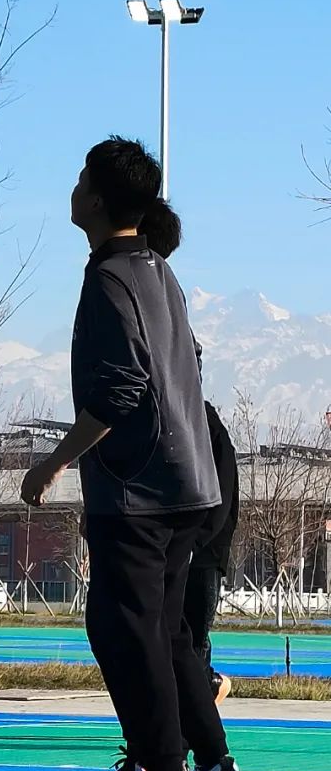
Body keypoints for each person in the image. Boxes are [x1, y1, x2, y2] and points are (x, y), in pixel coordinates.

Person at [21, 138, 247, 771]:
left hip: (140, 491)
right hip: (189, 483)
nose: (73, 186)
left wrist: (53, 461)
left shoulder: (112, 279)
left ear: (96, 198)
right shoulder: (158, 272)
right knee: (168, 632)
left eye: (80, 177)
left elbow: (120, 390)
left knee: (130, 632)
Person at [138, 200, 239, 706]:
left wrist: (196, 544)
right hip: (178, 546)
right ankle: (178, 735)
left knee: (184, 644)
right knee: (165, 645)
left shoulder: (203, 424)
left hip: (196, 552)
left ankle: (192, 740)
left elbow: (220, 498)